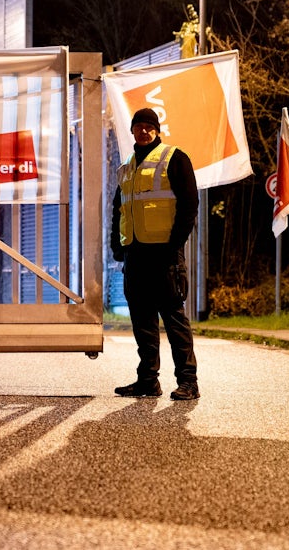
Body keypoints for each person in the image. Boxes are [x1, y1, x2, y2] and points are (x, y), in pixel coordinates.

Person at [110, 107, 200, 400]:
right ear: (133, 130)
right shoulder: (126, 166)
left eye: (150, 126)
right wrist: (118, 246)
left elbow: (189, 204)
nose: (144, 131)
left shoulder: (174, 158)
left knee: (174, 319)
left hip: (165, 255)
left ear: (157, 130)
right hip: (135, 255)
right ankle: (147, 380)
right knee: (142, 321)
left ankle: (188, 381)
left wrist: (176, 244)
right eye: (139, 126)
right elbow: (119, 208)